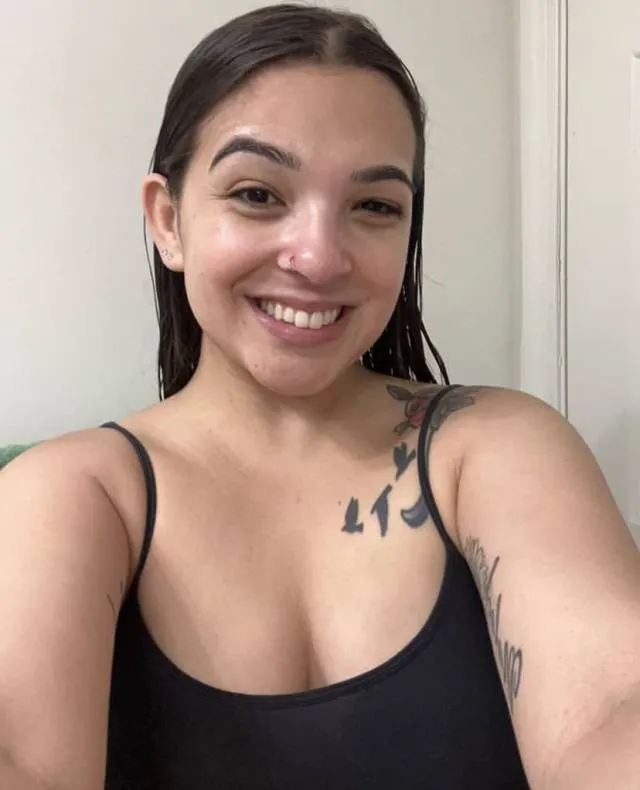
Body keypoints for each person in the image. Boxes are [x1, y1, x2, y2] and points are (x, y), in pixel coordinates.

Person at [1, 3, 639, 789]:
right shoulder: (74, 492)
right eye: (257, 193)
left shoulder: (499, 447)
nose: (319, 256)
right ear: (168, 220)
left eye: (374, 206)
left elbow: (613, 706)